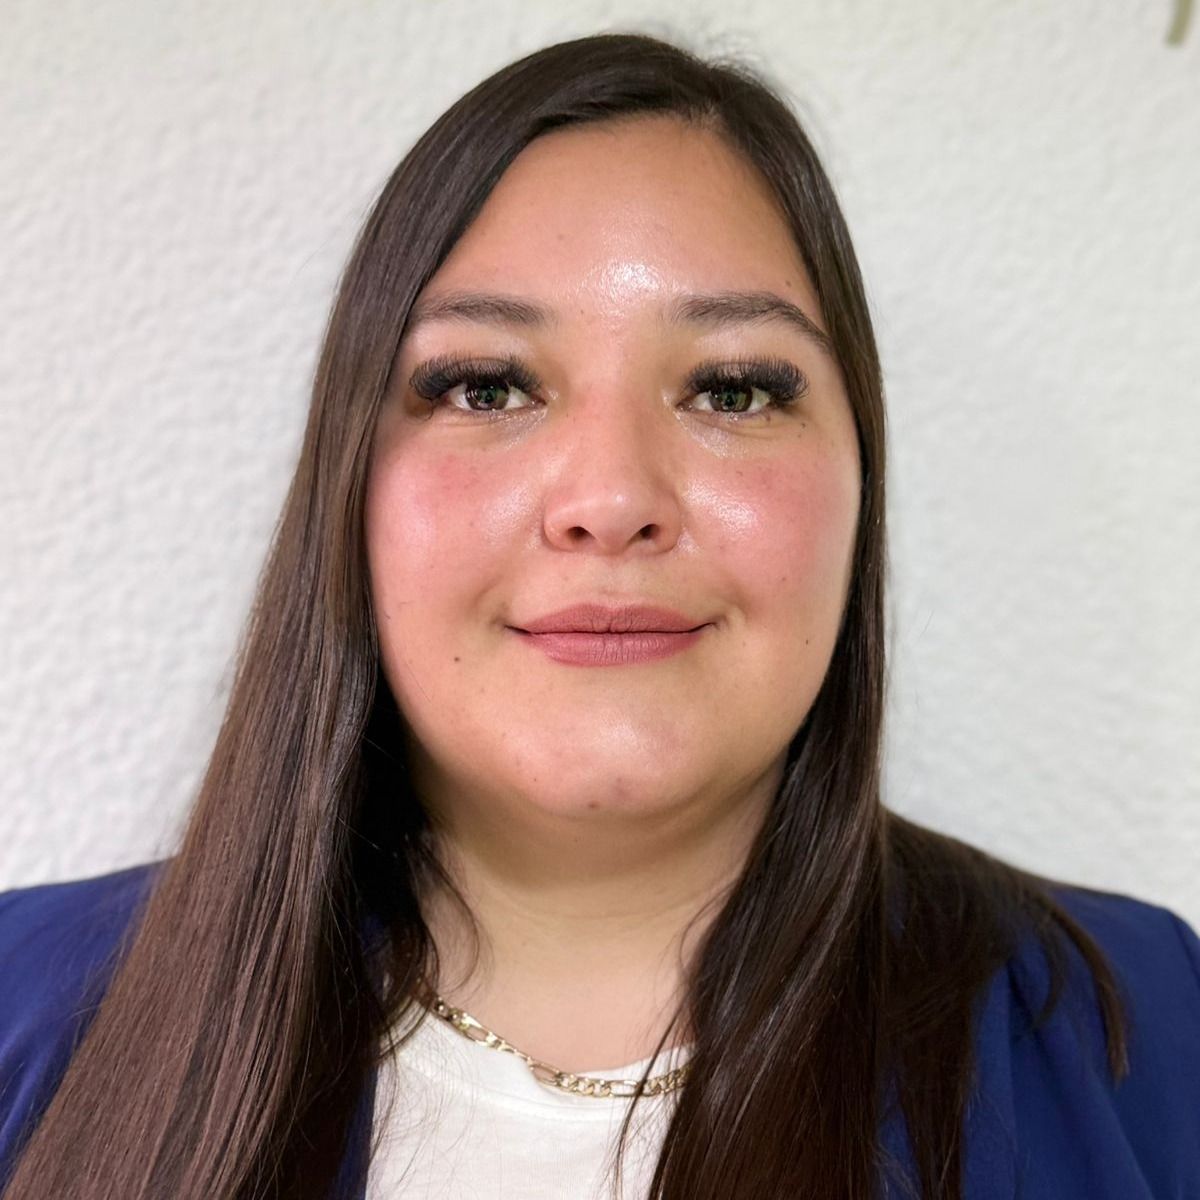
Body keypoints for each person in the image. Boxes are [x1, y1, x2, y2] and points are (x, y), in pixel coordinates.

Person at [1, 29, 1197, 1200]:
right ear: (348, 485)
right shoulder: (21, 1003)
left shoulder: (1151, 1033)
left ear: (862, 481)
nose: (613, 501)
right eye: (488, 387)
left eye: (733, 389)